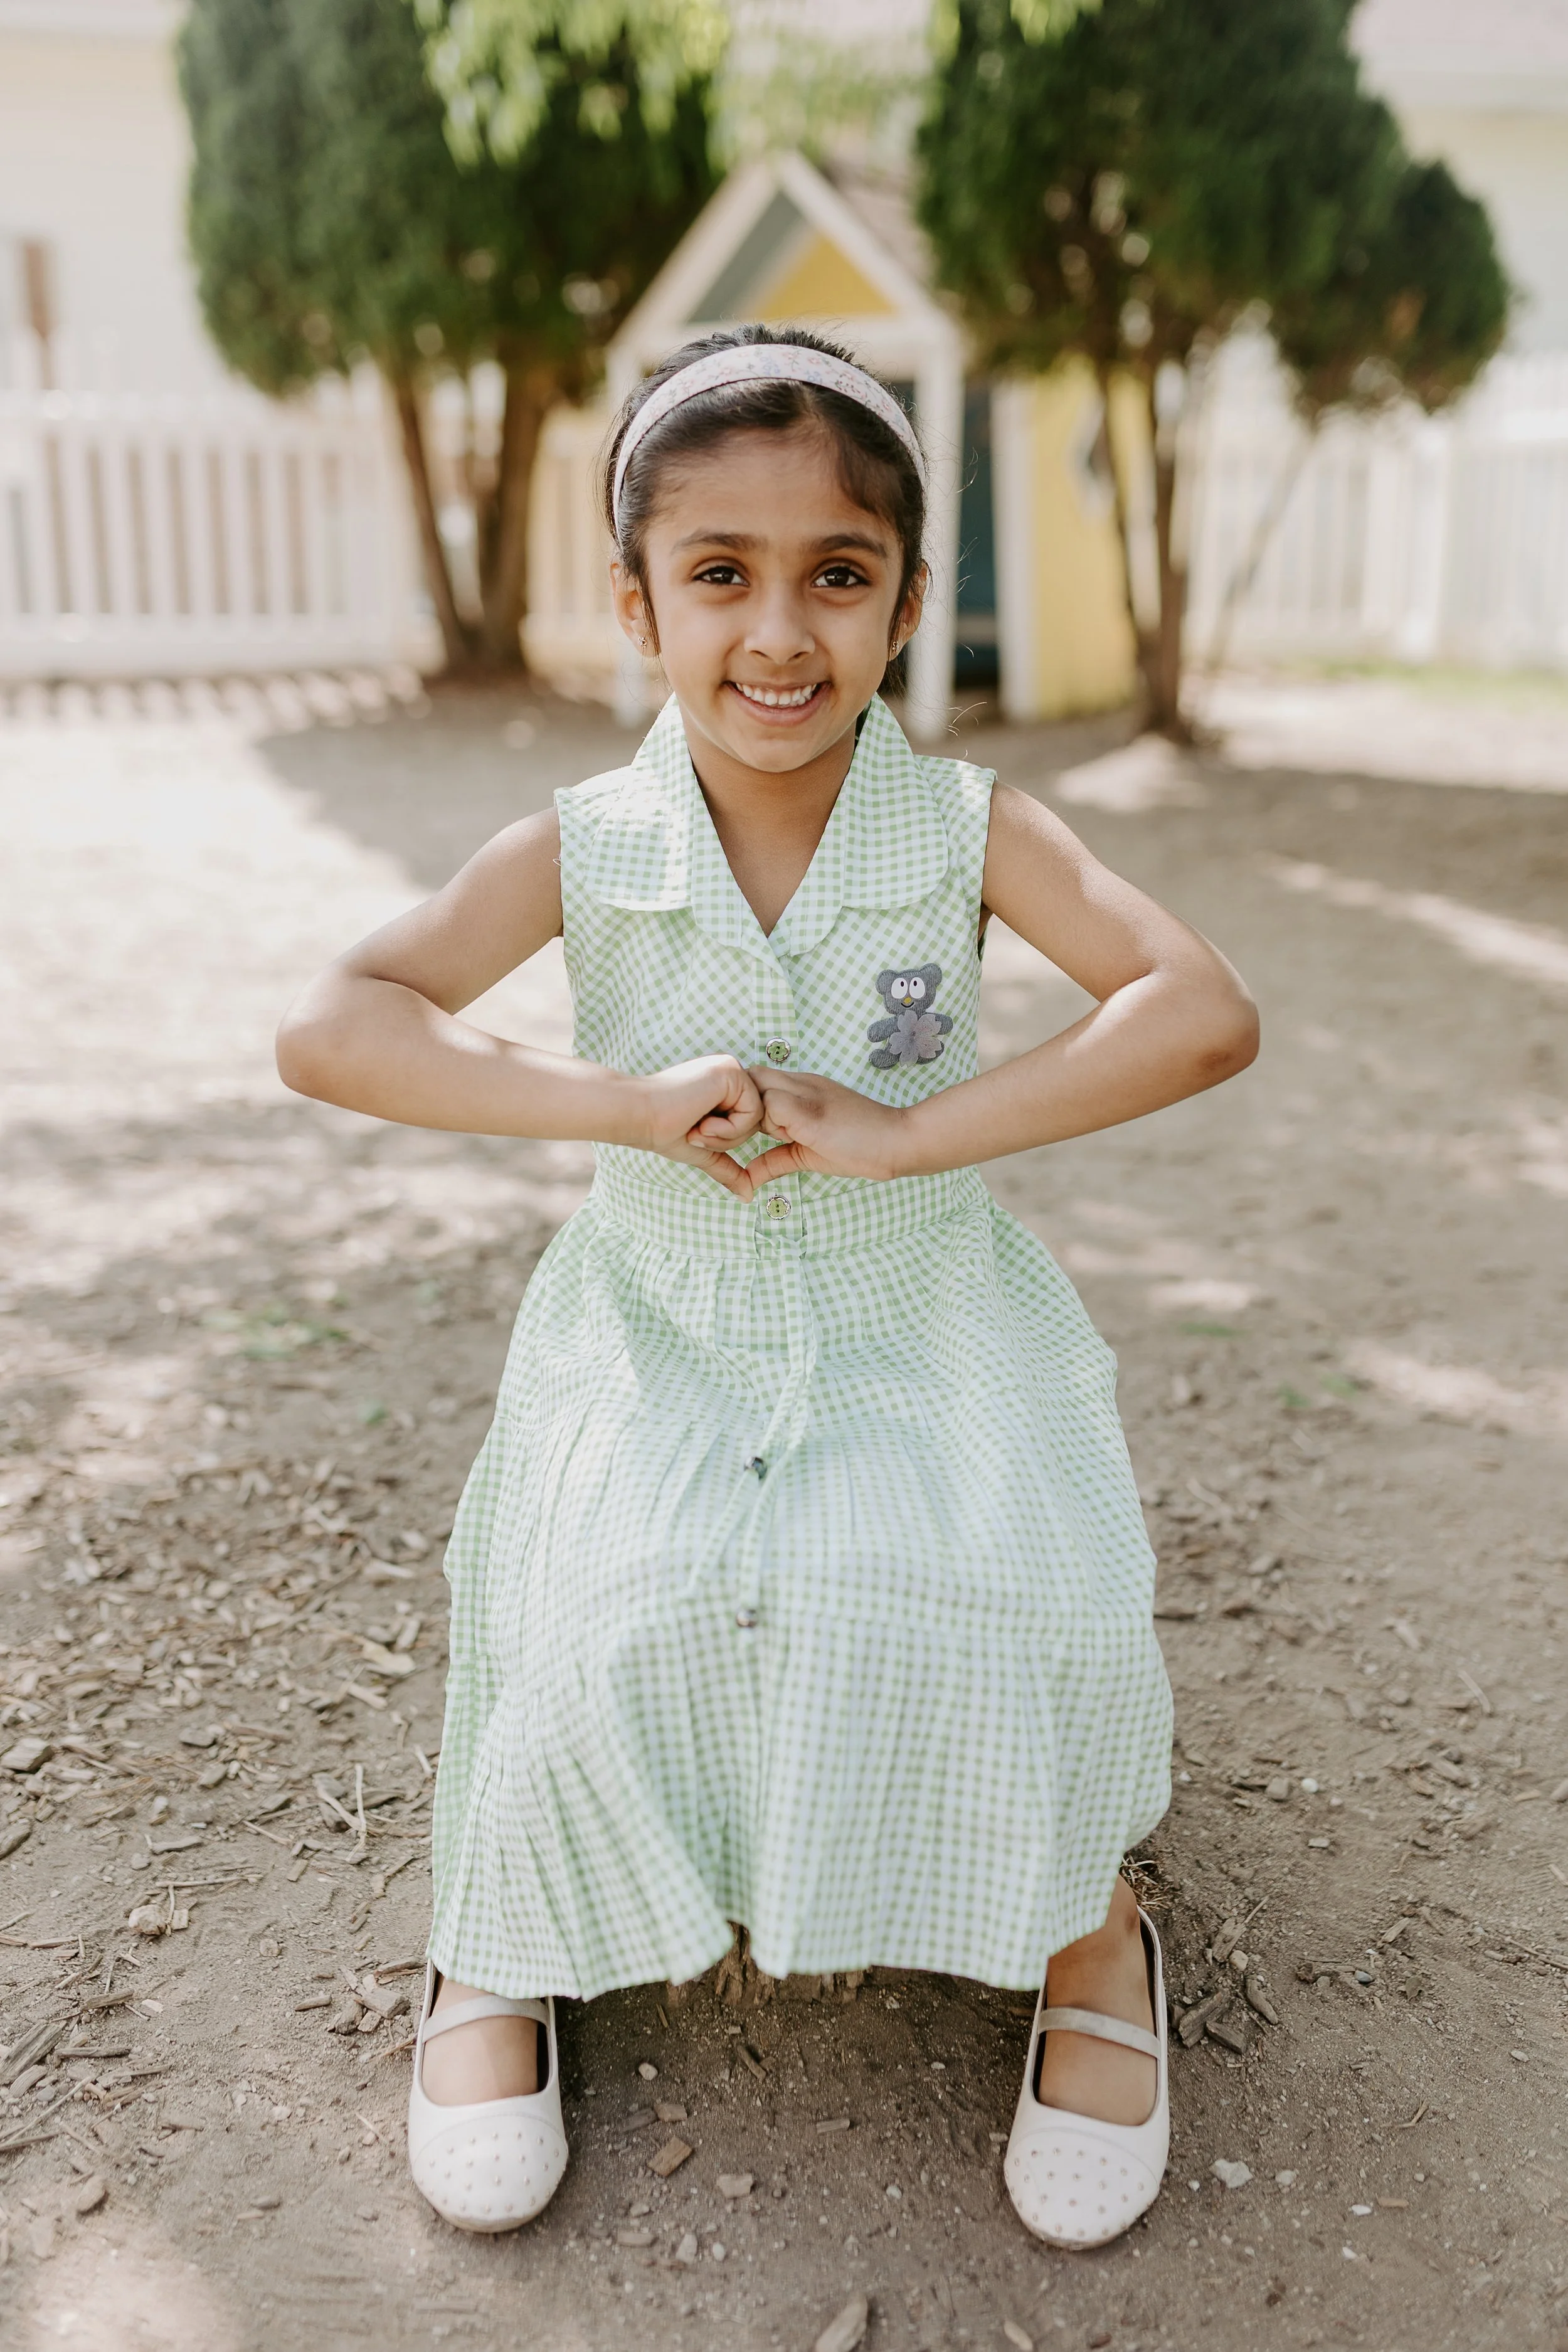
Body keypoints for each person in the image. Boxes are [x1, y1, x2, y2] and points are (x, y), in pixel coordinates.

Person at [275, 324, 1258, 2249]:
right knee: (597, 1612)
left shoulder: (976, 828)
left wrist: (910, 1131)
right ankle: (502, 1927)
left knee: (984, 1590)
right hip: (655, 1331)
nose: (778, 633)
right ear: (636, 602)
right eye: (719, 573)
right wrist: (618, 1106)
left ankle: (1087, 1930)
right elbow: (333, 1025)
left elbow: (1199, 1008)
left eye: (837, 573)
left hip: (925, 1322)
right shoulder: (584, 844)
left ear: (904, 602)